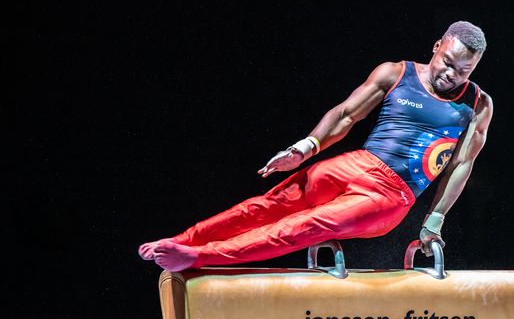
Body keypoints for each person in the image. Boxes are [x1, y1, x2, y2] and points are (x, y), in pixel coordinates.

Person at [138, 21, 493, 271]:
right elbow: (344, 116)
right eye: (448, 61)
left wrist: (434, 219)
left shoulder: (477, 104)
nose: (451, 74)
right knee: (269, 205)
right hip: (357, 163)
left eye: (464, 70)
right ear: (437, 46)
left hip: (389, 197)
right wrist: (306, 147)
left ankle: (200, 257)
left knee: (306, 225)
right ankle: (185, 240)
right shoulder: (395, 72)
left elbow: (462, 163)